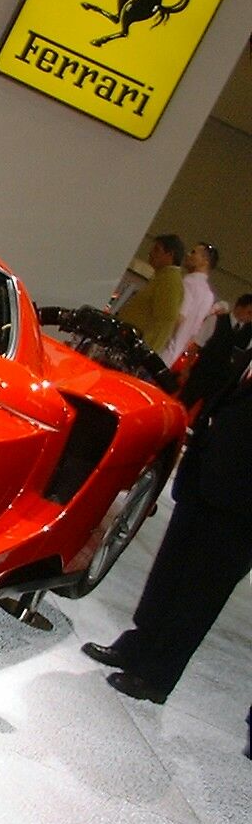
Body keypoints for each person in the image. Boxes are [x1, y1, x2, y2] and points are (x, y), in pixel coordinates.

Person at [82, 358, 252, 705]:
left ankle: (157, 676)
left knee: (199, 595)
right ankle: (136, 647)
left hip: (241, 509)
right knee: (169, 575)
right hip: (203, 484)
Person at [179, 293, 252, 411]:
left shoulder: (249, 334)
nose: (250, 318)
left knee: (205, 416)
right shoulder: (216, 320)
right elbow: (196, 345)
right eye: (249, 312)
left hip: (222, 382)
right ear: (239, 307)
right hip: (202, 373)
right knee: (184, 405)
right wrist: (186, 368)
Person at [116, 234, 185, 354]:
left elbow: (163, 321)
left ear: (170, 255)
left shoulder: (170, 281)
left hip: (134, 348)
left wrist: (140, 348)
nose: (151, 253)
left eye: (157, 249)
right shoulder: (163, 277)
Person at [159, 242, 217, 366]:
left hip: (161, 349)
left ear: (205, 261)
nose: (188, 255)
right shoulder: (209, 296)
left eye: (194, 252)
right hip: (172, 357)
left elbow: (178, 317)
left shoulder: (189, 283)